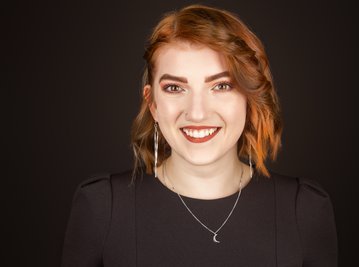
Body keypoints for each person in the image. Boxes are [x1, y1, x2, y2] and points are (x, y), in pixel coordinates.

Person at [61, 4, 337, 267]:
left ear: (250, 98)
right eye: (174, 88)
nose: (196, 113)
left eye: (221, 86)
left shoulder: (305, 210)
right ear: (152, 104)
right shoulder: (100, 208)